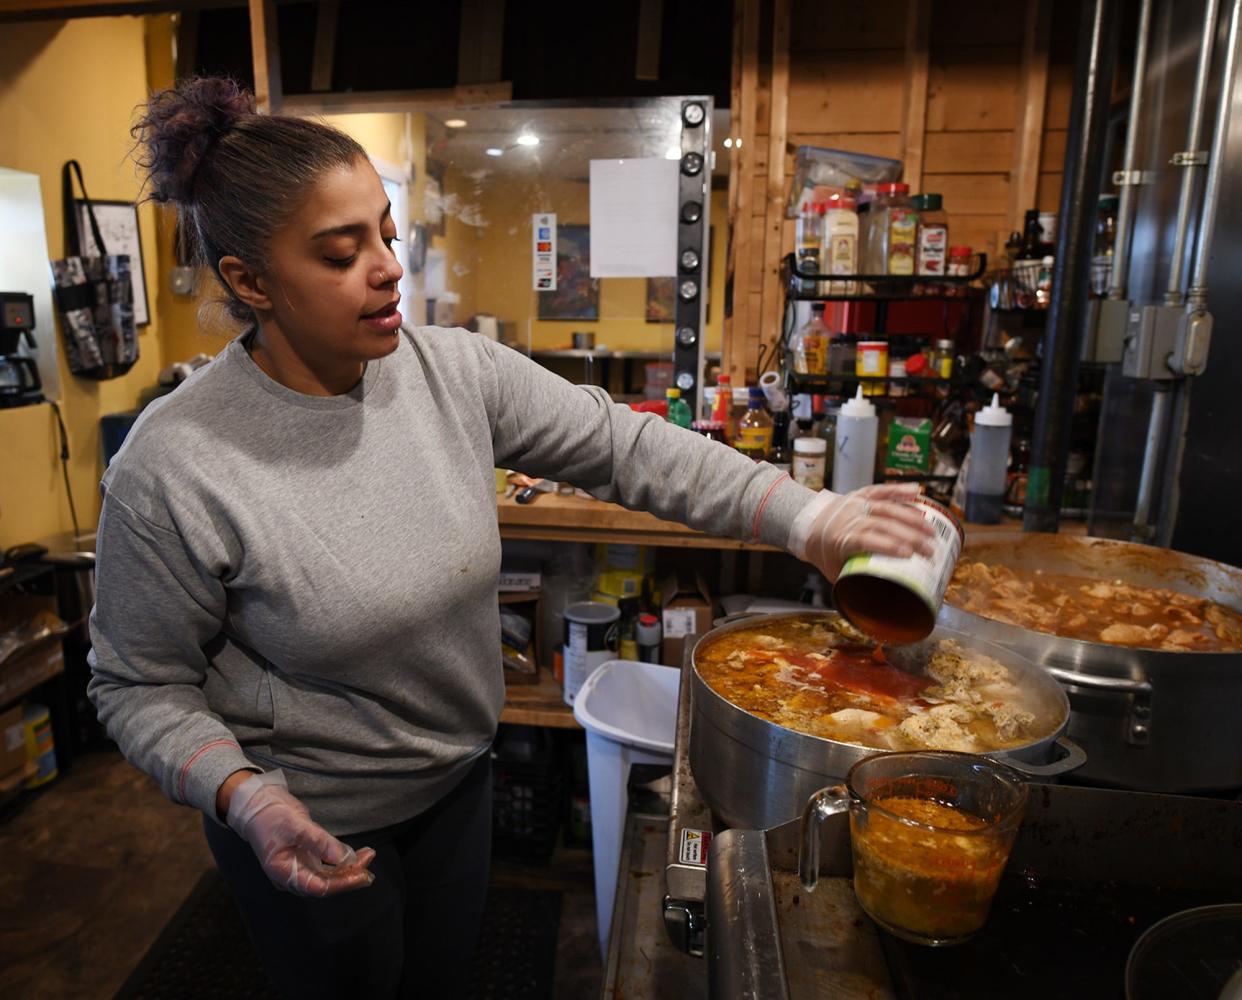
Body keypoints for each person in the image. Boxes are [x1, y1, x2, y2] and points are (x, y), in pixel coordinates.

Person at [89, 76, 933, 1000]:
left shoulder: (450, 372)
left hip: (458, 785)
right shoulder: (175, 466)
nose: (386, 267)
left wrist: (812, 519)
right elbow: (139, 684)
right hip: (306, 817)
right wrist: (242, 795)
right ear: (249, 280)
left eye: (385, 232)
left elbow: (629, 447)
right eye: (341, 253)